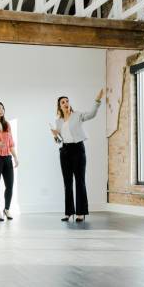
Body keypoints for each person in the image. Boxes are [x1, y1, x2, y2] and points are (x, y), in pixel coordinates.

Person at [51, 89, 104, 223]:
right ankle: (69, 212)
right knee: (67, 183)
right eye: (63, 102)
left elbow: (92, 115)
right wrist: (55, 136)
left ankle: (80, 213)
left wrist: (97, 100)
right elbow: (59, 141)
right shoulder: (59, 121)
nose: (66, 103)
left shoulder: (77, 115)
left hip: (78, 150)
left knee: (80, 181)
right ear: (59, 106)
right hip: (65, 151)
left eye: (67, 101)